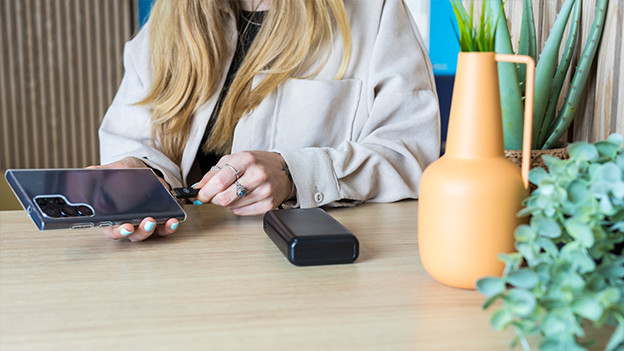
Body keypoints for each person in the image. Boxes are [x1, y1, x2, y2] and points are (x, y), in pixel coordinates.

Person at [97, 0, 440, 242]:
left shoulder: (375, 10)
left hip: (304, 271)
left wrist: (296, 174)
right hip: (182, 263)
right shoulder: (166, 22)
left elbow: (410, 155)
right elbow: (136, 139)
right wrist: (143, 175)